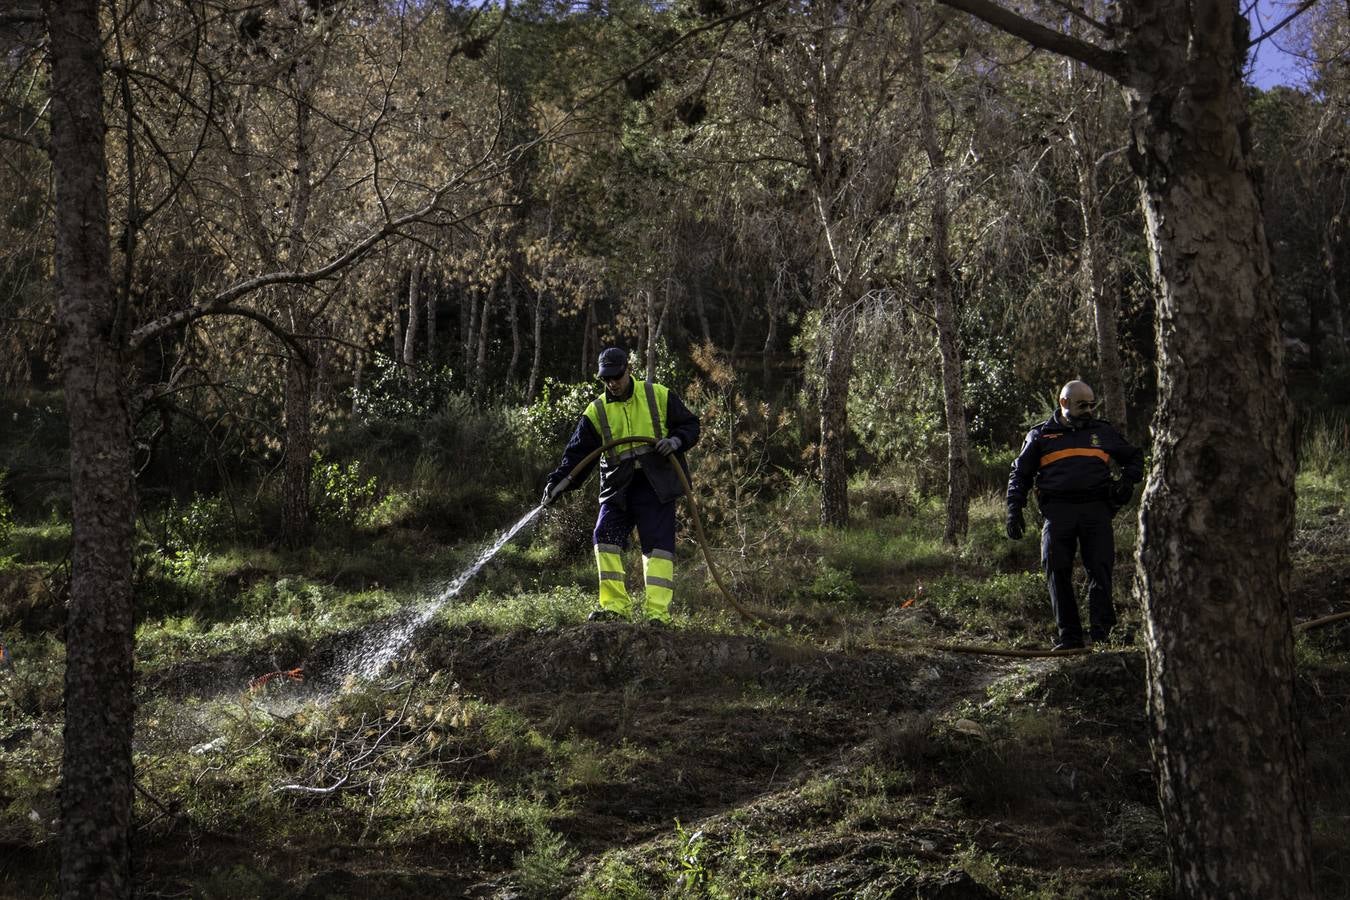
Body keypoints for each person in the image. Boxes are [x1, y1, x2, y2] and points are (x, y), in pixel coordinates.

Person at [541, 347, 701, 624]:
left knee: (658, 549)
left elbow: (690, 424)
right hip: (619, 487)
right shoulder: (596, 411)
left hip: (656, 486)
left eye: (617, 376)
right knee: (605, 537)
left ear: (628, 370)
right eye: (607, 379)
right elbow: (577, 456)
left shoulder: (658, 395)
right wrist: (557, 482)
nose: (612, 383)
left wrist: (675, 441)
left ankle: (657, 615)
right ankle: (615, 608)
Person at [1005, 380, 1144, 650]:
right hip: (1058, 513)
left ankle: (1103, 635)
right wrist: (1014, 510)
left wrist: (1126, 482)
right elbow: (1019, 475)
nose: (1089, 410)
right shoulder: (1041, 436)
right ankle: (1069, 637)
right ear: (1064, 403)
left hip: (1097, 510)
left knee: (1100, 570)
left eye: (1092, 405)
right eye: (1083, 405)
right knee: (1056, 570)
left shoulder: (1103, 432)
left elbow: (1134, 457)